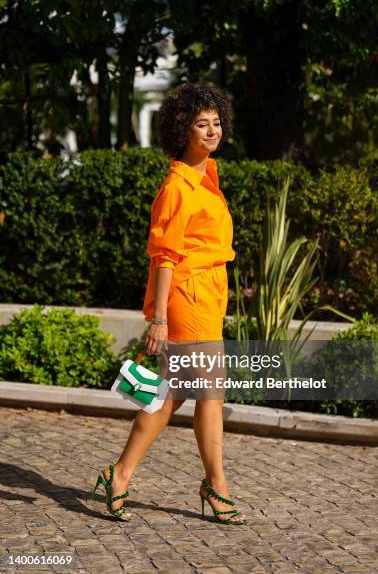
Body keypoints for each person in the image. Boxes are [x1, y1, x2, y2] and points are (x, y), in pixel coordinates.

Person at [89, 82, 247, 525]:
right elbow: (164, 256)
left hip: (209, 293)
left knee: (174, 393)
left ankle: (118, 474)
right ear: (183, 130)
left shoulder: (207, 176)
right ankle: (217, 486)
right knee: (210, 393)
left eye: (216, 122)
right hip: (186, 295)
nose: (212, 130)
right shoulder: (177, 186)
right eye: (202, 124)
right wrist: (158, 318)